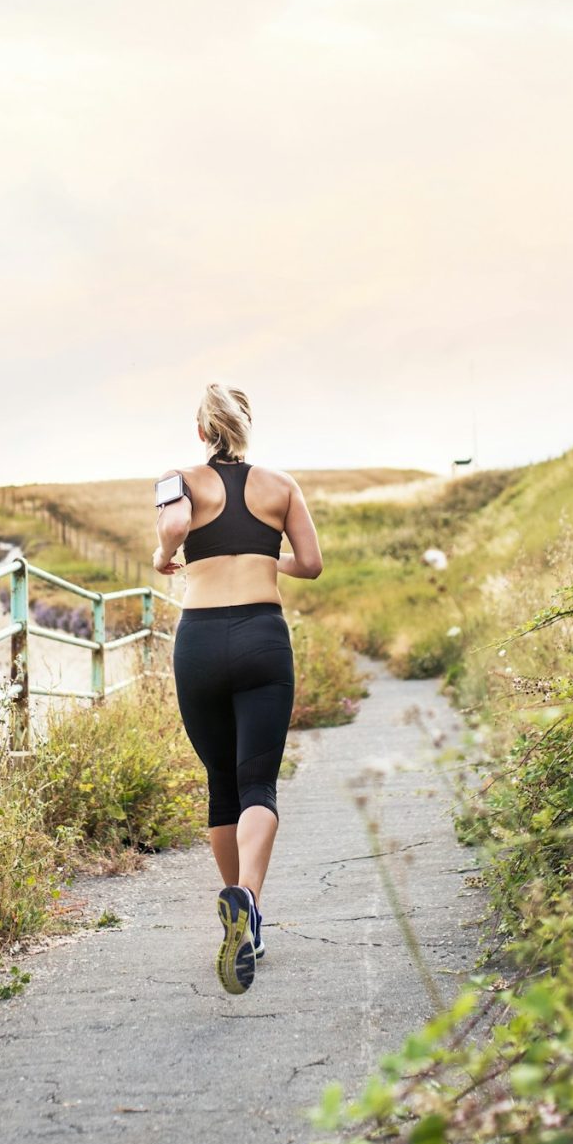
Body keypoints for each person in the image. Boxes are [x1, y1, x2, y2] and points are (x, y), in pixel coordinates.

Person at [152, 383, 323, 995]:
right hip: (261, 636)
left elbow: (173, 522)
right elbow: (311, 563)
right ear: (247, 426)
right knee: (258, 784)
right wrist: (266, 558)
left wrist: (164, 554)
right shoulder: (281, 486)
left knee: (221, 785)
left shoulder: (177, 476)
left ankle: (242, 911)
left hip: (198, 643)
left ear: (202, 431)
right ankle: (247, 903)